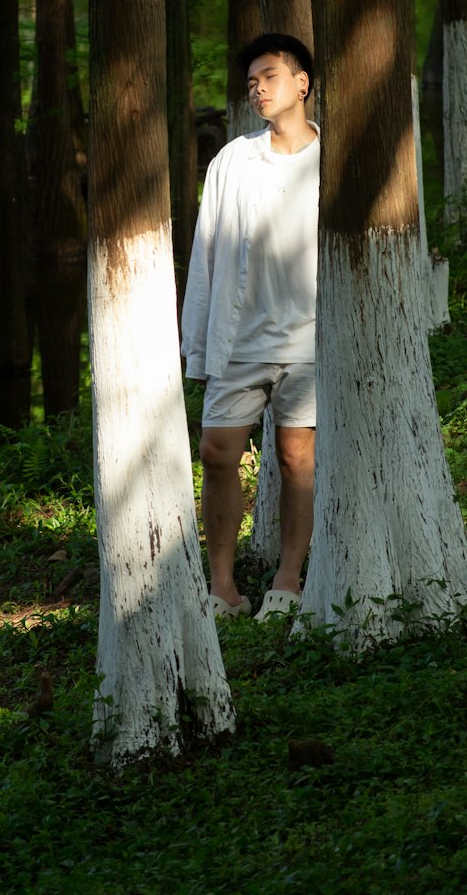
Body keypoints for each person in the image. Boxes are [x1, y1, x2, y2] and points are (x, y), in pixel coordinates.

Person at [181, 32, 318, 622]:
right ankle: (223, 589)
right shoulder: (234, 159)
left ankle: (287, 582)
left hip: (310, 336)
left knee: (294, 458)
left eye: (269, 77)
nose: (258, 89)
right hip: (240, 336)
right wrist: (199, 343)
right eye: (252, 82)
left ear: (301, 83)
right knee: (216, 452)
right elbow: (206, 249)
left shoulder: (330, 159)